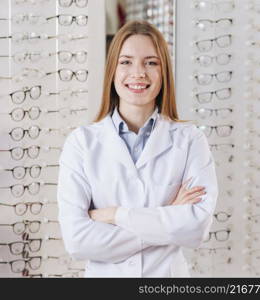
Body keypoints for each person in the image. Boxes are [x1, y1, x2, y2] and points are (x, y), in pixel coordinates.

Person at [57, 20, 218, 278]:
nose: (138, 73)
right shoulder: (81, 143)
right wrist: (168, 218)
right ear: (112, 70)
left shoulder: (189, 140)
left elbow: (196, 228)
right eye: (126, 62)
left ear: (164, 72)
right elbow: (77, 241)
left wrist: (114, 215)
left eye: (151, 62)